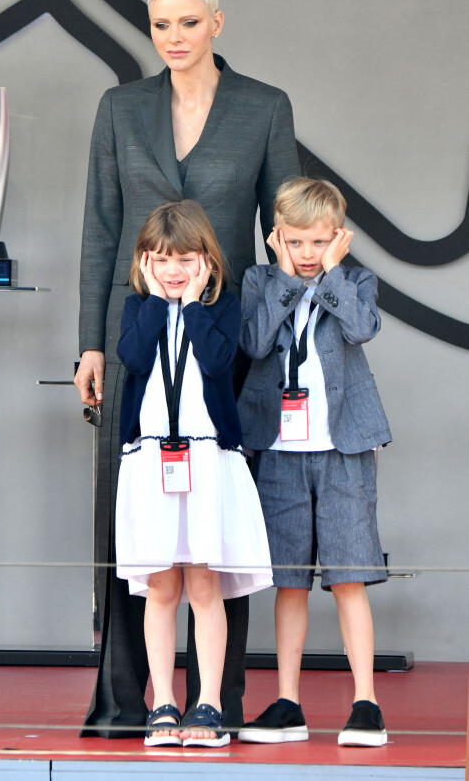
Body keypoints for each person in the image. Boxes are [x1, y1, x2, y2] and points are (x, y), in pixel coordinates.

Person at [74, 0, 300, 737]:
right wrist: (91, 347)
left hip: (224, 342)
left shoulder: (264, 108)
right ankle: (129, 701)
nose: (173, 38)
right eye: (161, 24)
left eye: (187, 23)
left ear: (217, 23)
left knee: (215, 535)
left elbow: (283, 231)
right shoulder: (119, 107)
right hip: (132, 340)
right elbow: (102, 231)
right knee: (132, 526)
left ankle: (215, 699)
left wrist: (289, 334)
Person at [237, 177, 391, 748]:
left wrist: (330, 273)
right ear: (277, 237)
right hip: (278, 451)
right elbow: (252, 344)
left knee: (350, 578)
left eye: (317, 243)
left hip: (345, 449)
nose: (305, 254)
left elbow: (361, 329)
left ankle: (366, 703)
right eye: (295, 243)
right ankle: (287, 704)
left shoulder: (353, 281)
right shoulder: (260, 280)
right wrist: (282, 277)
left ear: (338, 238)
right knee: (289, 582)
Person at [115, 200, 272, 747]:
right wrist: (160, 304)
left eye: (184, 258)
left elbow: (217, 360)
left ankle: (207, 704)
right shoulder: (138, 308)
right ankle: (162, 703)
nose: (172, 269)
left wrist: (196, 306)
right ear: (143, 262)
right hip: (151, 458)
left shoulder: (222, 307)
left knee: (204, 585)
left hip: (205, 457)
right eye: (160, 259)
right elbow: (133, 360)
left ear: (205, 259)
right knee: (161, 585)